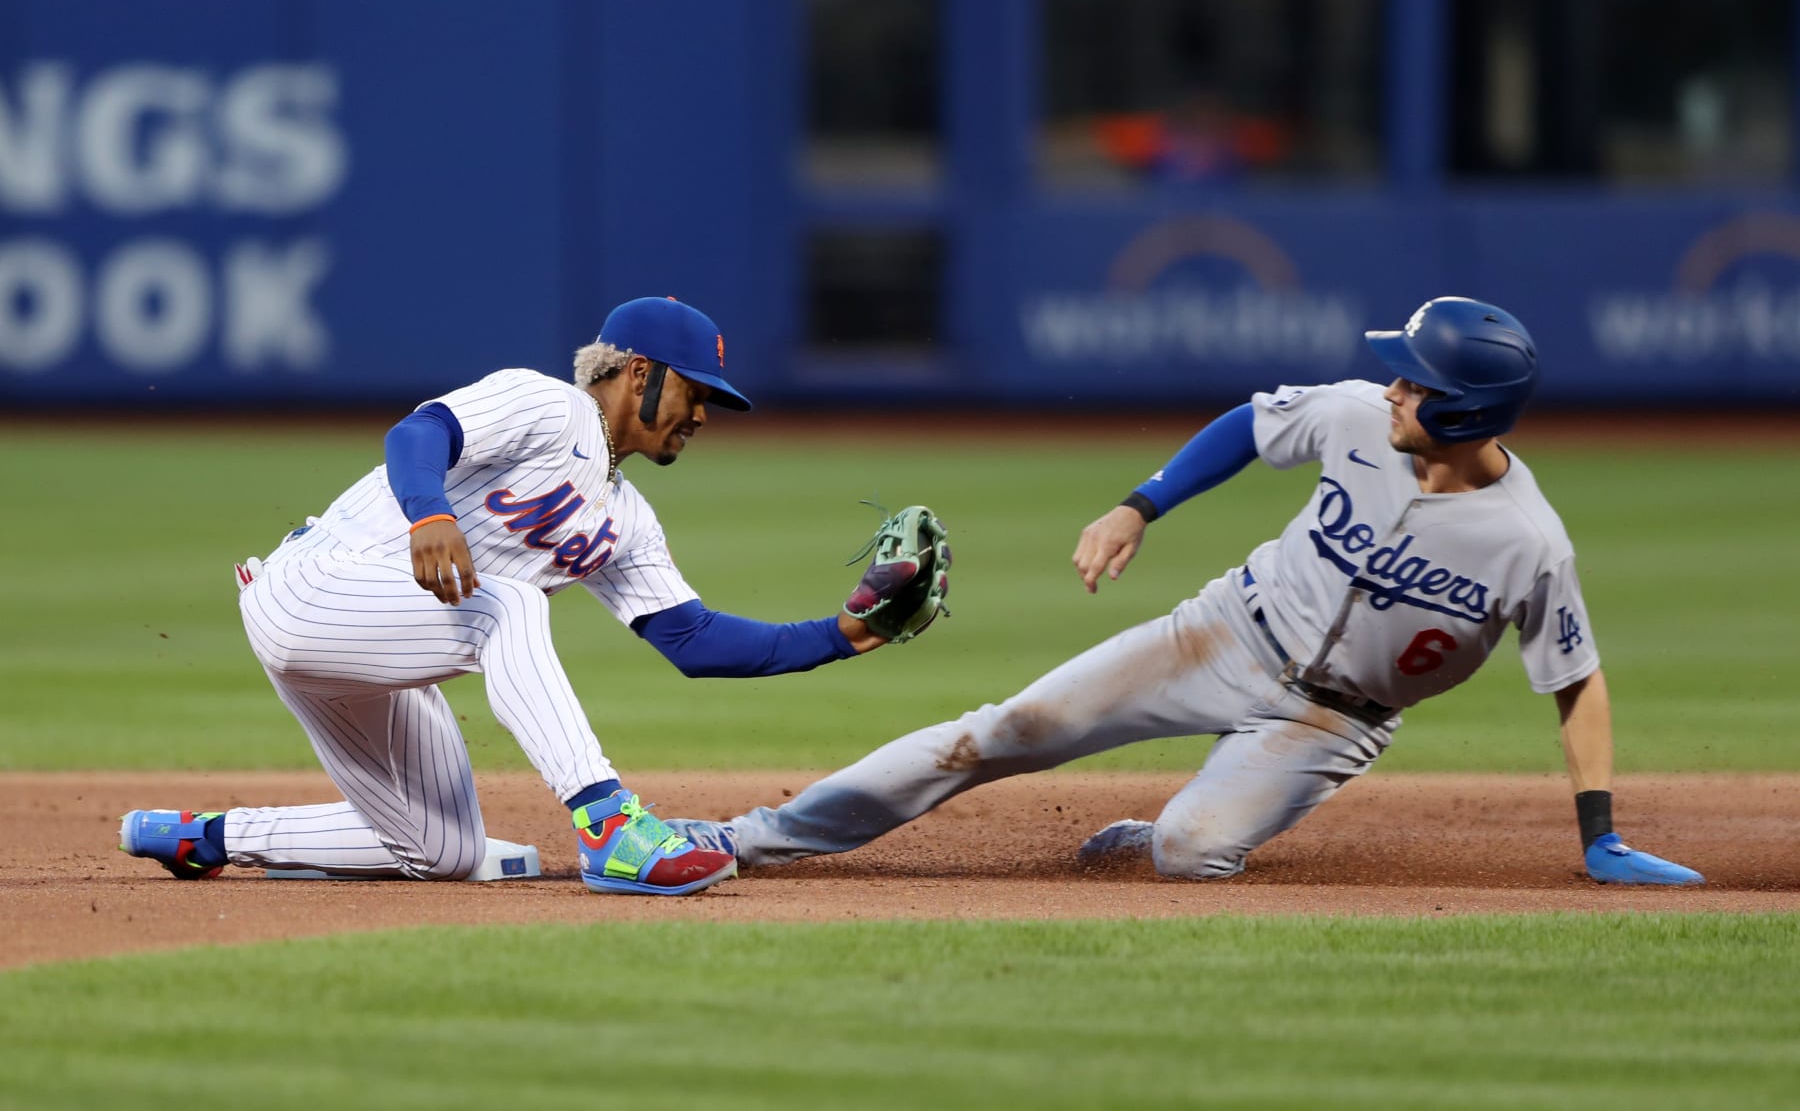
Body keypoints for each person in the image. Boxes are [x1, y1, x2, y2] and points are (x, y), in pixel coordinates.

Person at [666, 297, 1704, 886]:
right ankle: (752, 836)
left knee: (1188, 857)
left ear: (1470, 415)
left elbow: (1578, 681)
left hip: (1329, 723)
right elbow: (1249, 427)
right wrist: (1139, 507)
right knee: (1001, 730)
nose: (1391, 388)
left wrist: (1600, 833)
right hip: (1221, 631)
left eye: (1417, 383)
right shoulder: (1351, 414)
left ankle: (1149, 839)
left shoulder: (1529, 544)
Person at [120, 296, 916, 897]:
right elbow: (418, 433)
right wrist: (430, 512)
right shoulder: (547, 406)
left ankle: (206, 838)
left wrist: (840, 634)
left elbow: (695, 641)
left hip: (376, 650)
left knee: (443, 852)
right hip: (313, 588)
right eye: (694, 391)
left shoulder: (627, 519)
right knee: (510, 605)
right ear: (638, 372)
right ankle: (609, 826)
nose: (703, 413)